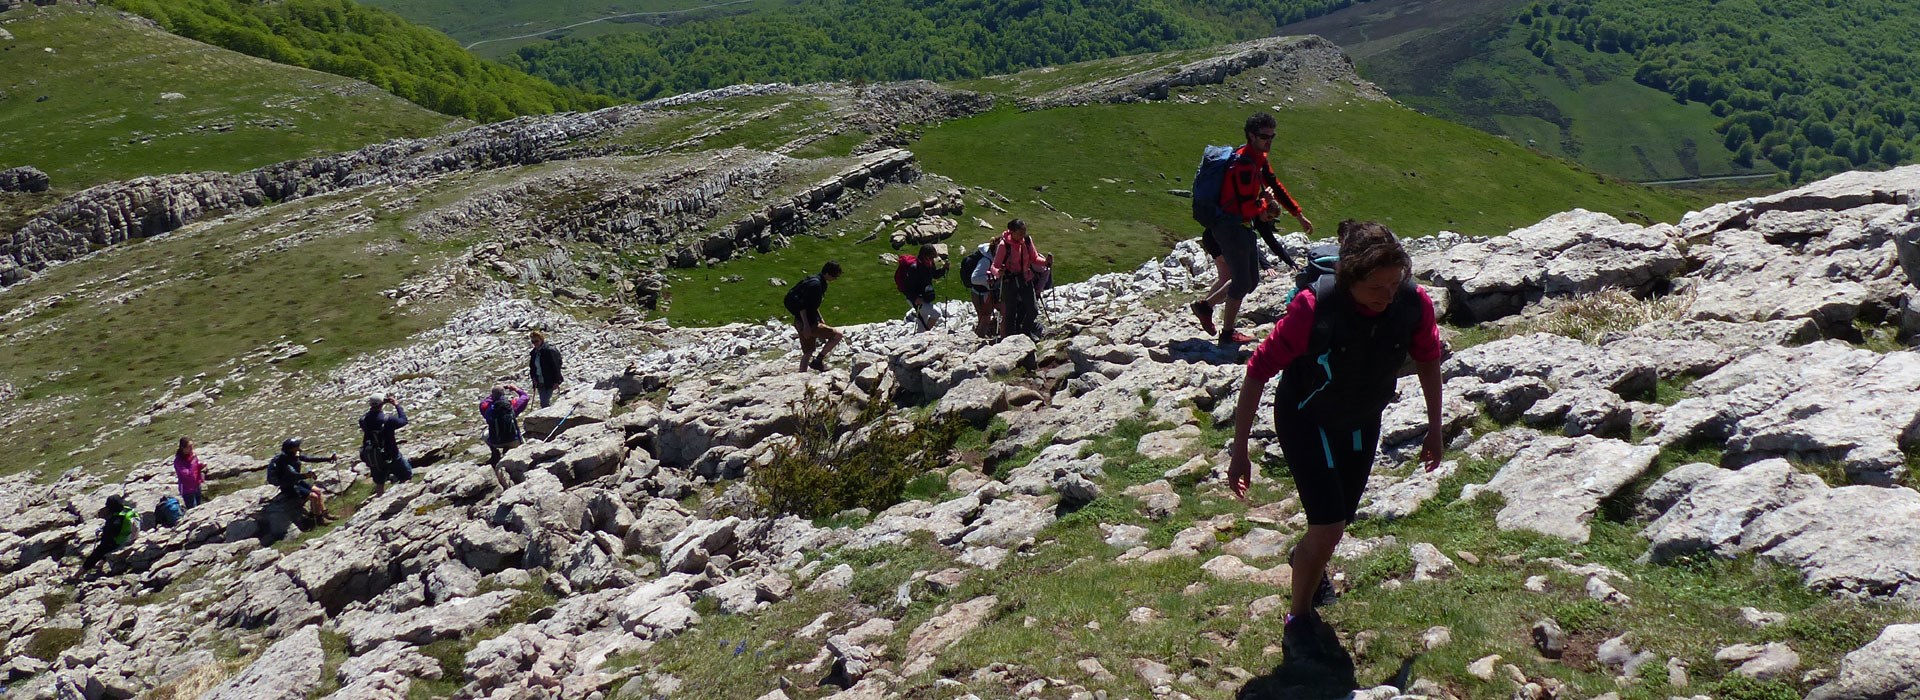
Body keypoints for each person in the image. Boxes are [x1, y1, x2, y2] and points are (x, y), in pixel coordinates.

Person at [1225, 221, 1443, 650]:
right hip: (1306, 418)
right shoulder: (1312, 309)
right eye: (1376, 287)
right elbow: (1256, 373)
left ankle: (1306, 561)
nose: (1387, 296)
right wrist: (1240, 451)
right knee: (1329, 527)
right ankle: (1299, 618)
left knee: (1334, 523)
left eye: (1393, 284)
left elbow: (1430, 361)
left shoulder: (1412, 304)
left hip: (1362, 420)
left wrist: (1434, 431)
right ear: (1349, 278)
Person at [1197, 112, 1314, 346]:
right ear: (1251, 136)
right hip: (1230, 227)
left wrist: (1298, 214)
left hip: (1240, 227)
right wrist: (1265, 203)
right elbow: (1245, 208)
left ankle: (1204, 307)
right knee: (1241, 282)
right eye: (1264, 136)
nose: (1269, 141)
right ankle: (1228, 334)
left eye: (1272, 136)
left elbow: (1275, 184)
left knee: (1250, 281)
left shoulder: (1258, 158)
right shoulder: (1243, 165)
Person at [987, 220, 1052, 338]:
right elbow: (994, 266)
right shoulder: (1003, 245)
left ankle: (1025, 332)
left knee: (1033, 310)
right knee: (1010, 313)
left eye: (1024, 232)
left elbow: (1034, 257)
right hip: (1009, 282)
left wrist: (1045, 262)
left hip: (1025, 279)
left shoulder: (1027, 241)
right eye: (1020, 232)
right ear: (1012, 232)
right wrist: (998, 272)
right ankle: (1011, 338)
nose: (1023, 235)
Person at [784, 261, 844, 372]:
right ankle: (818, 361)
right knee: (837, 336)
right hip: (808, 323)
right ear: (828, 273)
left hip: (800, 320)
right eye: (835, 275)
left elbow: (812, 304)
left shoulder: (815, 280)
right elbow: (803, 305)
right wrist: (806, 325)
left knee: (808, 351)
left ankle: (802, 374)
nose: (835, 278)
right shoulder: (816, 286)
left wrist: (820, 317)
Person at [268, 438, 339, 524]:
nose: (299, 447)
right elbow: (293, 474)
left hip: (297, 481)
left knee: (318, 491)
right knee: (314, 496)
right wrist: (306, 475)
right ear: (290, 449)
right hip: (289, 486)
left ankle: (324, 513)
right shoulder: (283, 461)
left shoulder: (294, 455)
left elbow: (309, 458)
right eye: (296, 446)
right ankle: (318, 518)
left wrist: (328, 459)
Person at [360, 394, 412, 496]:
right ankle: (405, 497)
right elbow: (403, 420)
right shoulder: (388, 419)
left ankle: (379, 502)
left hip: (375, 456)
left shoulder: (363, 420)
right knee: (406, 476)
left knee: (379, 483)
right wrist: (397, 405)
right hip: (391, 454)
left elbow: (370, 419)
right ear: (382, 403)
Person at [76, 495, 140, 578]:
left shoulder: (117, 518)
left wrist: (103, 531)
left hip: (121, 541)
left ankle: (79, 573)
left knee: (99, 550)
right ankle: (101, 562)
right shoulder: (127, 510)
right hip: (132, 536)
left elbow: (110, 535)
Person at [481, 384, 531, 488]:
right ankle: (509, 451)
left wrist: (493, 396)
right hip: (514, 440)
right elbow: (525, 397)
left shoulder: (486, 408)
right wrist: (515, 389)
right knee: (524, 441)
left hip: (495, 441)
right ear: (503, 394)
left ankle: (495, 454)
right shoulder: (512, 405)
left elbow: (483, 403)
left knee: (484, 434)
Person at [895, 243, 947, 331]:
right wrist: (915, 298)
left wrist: (944, 269)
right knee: (936, 313)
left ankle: (922, 335)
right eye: (930, 257)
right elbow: (908, 287)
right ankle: (924, 334)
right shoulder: (914, 268)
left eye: (932, 258)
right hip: (916, 299)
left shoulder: (929, 264)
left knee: (922, 320)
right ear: (924, 256)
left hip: (924, 298)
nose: (931, 260)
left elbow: (934, 275)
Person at [964, 240, 1000, 337]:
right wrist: (990, 280)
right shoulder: (985, 260)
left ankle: (978, 338)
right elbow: (974, 278)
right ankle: (979, 340)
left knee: (983, 318)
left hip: (979, 293)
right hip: (981, 294)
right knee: (985, 318)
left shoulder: (987, 256)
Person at [529, 331, 564, 408]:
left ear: (541, 339)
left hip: (550, 380)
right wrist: (533, 378)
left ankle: (549, 416)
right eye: (533, 341)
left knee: (544, 402)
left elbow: (556, 366)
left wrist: (556, 381)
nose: (535, 343)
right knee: (543, 402)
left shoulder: (549, 350)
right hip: (539, 380)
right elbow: (532, 368)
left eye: (536, 341)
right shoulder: (534, 353)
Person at [173, 437, 205, 510]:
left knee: (200, 507)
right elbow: (188, 474)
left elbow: (196, 467)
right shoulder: (178, 461)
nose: (192, 449)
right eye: (189, 447)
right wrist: (192, 462)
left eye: (192, 446)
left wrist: (200, 466)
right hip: (187, 489)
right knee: (193, 509)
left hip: (197, 485)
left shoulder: (193, 456)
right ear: (183, 448)